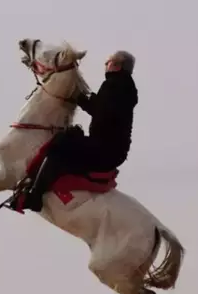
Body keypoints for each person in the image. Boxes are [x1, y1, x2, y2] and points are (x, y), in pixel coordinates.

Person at [20, 50, 138, 212]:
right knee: (69, 140)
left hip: (104, 149)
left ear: (117, 66)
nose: (105, 65)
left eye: (108, 62)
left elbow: (100, 111)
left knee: (60, 144)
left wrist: (80, 98)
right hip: (111, 149)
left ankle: (35, 196)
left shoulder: (115, 86)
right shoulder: (123, 86)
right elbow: (103, 109)